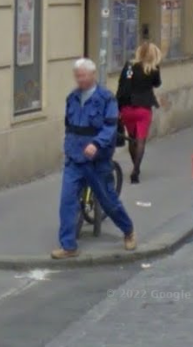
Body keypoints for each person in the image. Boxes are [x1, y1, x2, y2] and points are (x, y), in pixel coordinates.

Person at [52, 58, 137, 259]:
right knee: (67, 201)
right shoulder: (72, 98)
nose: (80, 79)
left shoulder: (106, 99)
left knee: (108, 201)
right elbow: (69, 125)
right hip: (74, 159)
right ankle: (68, 246)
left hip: (97, 161)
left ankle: (128, 230)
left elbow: (110, 127)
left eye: (83, 75)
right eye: (77, 76)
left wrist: (97, 144)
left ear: (92, 75)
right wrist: (68, 146)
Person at [116, 41, 162, 183]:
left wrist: (117, 106)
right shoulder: (153, 69)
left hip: (127, 108)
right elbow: (157, 83)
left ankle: (135, 165)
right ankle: (136, 170)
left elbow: (123, 84)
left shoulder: (130, 66)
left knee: (132, 138)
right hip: (143, 109)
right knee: (141, 140)